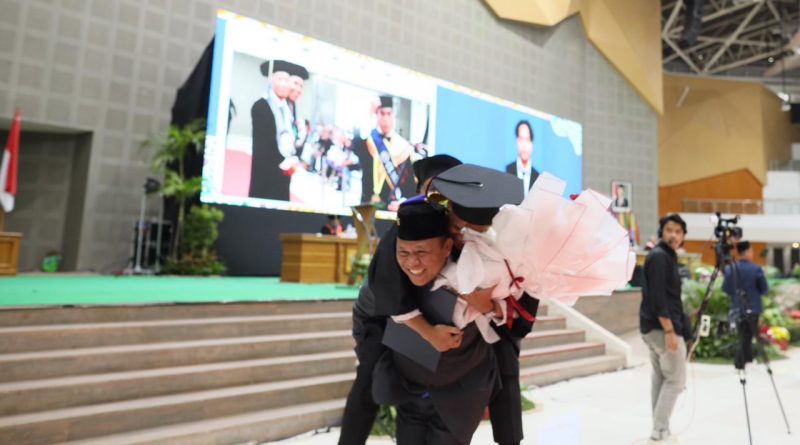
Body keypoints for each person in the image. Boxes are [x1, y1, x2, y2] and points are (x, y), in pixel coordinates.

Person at [338, 155, 465, 445]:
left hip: (420, 318)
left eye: (449, 193)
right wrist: (428, 332)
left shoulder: (454, 229)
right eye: (433, 191)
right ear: (421, 189)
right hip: (379, 318)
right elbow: (388, 292)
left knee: (417, 391)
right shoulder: (405, 225)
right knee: (369, 381)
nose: (440, 198)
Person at [371, 200, 499, 445]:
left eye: (421, 253)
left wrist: (488, 306)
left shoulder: (483, 263)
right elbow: (384, 303)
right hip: (410, 389)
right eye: (404, 253)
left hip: (460, 394)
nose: (412, 263)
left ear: (448, 246)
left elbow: (513, 318)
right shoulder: (391, 270)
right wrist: (427, 332)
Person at [432, 165, 540, 445]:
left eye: (474, 232)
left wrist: (490, 306)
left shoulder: (519, 256)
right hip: (454, 358)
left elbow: (524, 323)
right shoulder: (439, 245)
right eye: (456, 227)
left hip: (499, 346)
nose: (462, 237)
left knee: (508, 427)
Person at [639, 213, 692, 442]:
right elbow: (659, 298)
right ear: (662, 232)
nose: (674, 235)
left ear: (683, 236)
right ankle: (660, 429)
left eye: (678, 232)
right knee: (676, 380)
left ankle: (659, 428)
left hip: (651, 328)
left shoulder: (665, 256)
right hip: (662, 329)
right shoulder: (661, 257)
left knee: (661, 377)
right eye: (669, 230)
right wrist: (670, 331)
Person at [249, 59, 308, 201]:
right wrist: (287, 162)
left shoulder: (287, 109)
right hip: (267, 173)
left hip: (284, 174)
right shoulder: (261, 106)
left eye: (286, 80)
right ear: (271, 80)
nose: (283, 84)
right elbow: (264, 147)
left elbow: (291, 139)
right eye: (280, 79)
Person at [352, 95, 417, 206]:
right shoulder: (368, 140)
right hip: (368, 202)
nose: (386, 118)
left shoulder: (404, 146)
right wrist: (369, 114)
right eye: (382, 114)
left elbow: (410, 182)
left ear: (394, 115)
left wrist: (404, 202)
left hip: (394, 205)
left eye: (389, 114)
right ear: (376, 115)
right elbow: (356, 143)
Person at [722, 240, 768, 370]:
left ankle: (748, 359)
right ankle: (740, 362)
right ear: (747, 252)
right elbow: (764, 289)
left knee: (743, 334)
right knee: (748, 335)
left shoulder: (730, 269)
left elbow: (726, 288)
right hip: (753, 307)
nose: (752, 253)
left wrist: (736, 296)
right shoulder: (756, 269)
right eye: (752, 251)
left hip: (737, 307)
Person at [505, 120, 539, 197]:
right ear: (516, 141)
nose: (524, 145)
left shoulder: (537, 177)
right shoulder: (507, 170)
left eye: (527, 139)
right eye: (521, 139)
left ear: (532, 144)